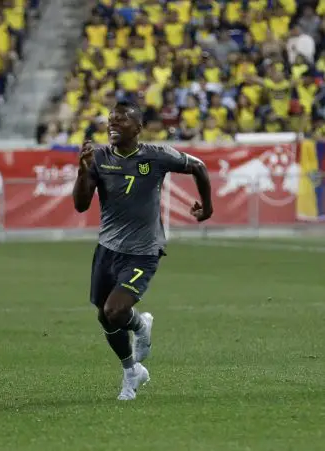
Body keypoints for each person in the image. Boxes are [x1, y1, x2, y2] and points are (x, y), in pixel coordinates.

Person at [72, 101, 212, 401]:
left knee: (115, 310)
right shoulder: (99, 158)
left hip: (143, 250)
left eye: (120, 120)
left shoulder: (156, 155)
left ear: (137, 127)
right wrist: (82, 172)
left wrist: (207, 208)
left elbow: (198, 167)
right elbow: (81, 205)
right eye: (110, 120)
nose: (112, 124)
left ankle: (139, 324)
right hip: (108, 248)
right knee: (104, 317)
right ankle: (131, 371)